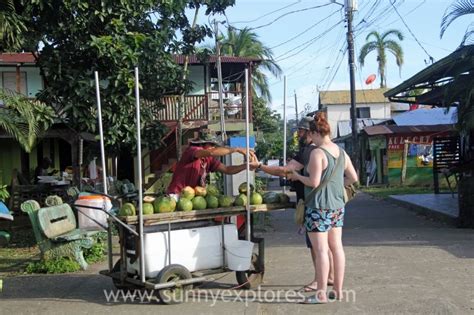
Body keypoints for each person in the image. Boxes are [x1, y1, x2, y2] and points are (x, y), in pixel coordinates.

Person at [256, 116, 334, 291]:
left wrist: (260, 166)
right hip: (327, 201)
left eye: (300, 130)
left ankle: (318, 281)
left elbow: (286, 170)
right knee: (327, 245)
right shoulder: (329, 149)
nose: (297, 134)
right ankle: (330, 276)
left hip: (312, 202)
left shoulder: (309, 151)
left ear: (310, 133)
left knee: (316, 246)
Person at [288, 113, 358, 304]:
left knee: (320, 251)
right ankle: (337, 290)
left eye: (310, 135)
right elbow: (353, 178)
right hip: (337, 207)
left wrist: (297, 176)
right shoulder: (341, 152)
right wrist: (335, 184)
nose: (309, 139)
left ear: (314, 133)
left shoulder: (317, 153)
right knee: (337, 248)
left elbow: (313, 181)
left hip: (318, 207)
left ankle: (320, 294)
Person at [166, 133, 259, 198]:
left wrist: (246, 166)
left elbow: (227, 169)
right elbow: (211, 152)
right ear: (202, 144)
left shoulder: (209, 160)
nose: (213, 147)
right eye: (211, 144)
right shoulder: (192, 151)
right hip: (176, 195)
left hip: (191, 197)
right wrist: (237, 149)